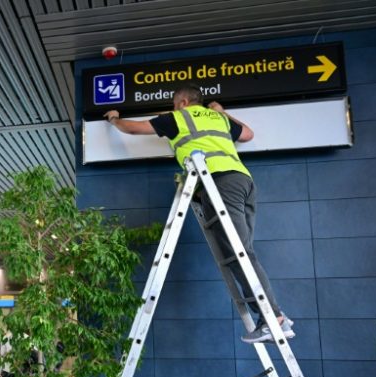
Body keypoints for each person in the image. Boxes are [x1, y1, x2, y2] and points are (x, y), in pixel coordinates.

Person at [104, 83, 294, 344]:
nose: (172, 108)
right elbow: (248, 135)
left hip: (218, 182)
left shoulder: (178, 117)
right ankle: (273, 317)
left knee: (238, 254)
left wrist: (114, 119)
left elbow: (133, 128)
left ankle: (274, 319)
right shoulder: (217, 117)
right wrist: (224, 112)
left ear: (182, 102)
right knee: (242, 252)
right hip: (242, 182)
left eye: (173, 104)